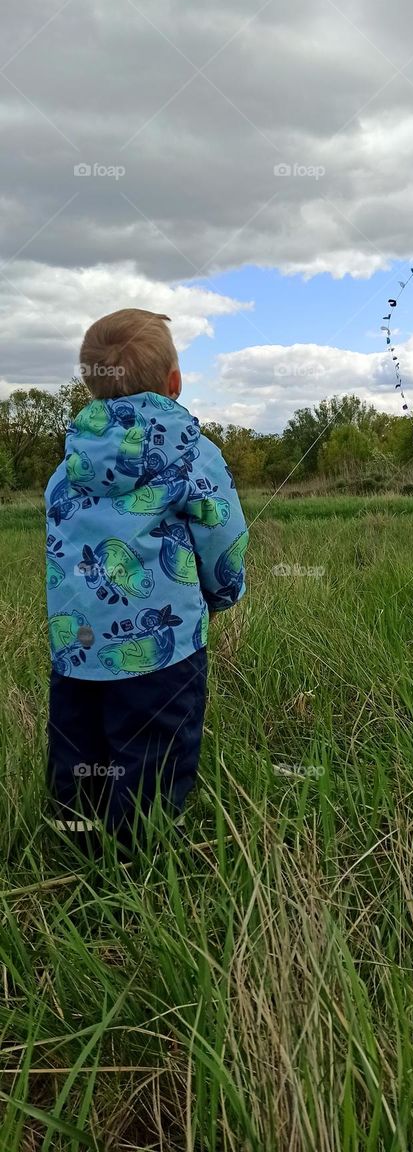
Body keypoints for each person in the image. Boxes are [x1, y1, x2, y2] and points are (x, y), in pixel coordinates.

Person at [44, 308, 248, 851]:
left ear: (91, 383)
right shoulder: (192, 453)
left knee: (80, 757)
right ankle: (139, 875)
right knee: (153, 760)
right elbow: (222, 533)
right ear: (174, 382)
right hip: (163, 653)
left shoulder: (70, 462)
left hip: (77, 647)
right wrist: (224, 591)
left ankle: (76, 855)